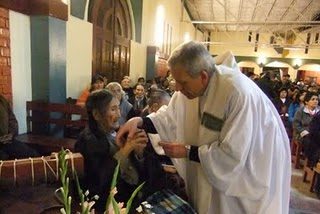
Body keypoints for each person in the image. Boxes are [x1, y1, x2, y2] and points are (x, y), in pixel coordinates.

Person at [117, 41, 291, 214]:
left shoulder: (237, 93)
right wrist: (139, 121)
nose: (177, 88)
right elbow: (170, 116)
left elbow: (233, 155)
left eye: (182, 82)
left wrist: (187, 151)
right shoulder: (188, 89)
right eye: (174, 81)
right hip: (207, 179)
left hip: (242, 184)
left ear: (203, 76)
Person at [74, 89, 175, 212]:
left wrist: (139, 152)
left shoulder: (117, 132)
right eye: (113, 109)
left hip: (140, 194)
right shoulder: (88, 141)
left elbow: (145, 169)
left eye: (118, 108)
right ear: (96, 115)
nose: (119, 114)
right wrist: (127, 149)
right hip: (116, 203)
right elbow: (100, 181)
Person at [0, 94, 38, 160]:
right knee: (4, 159)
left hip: (7, 142)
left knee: (33, 155)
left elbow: (12, 121)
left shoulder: (2, 101)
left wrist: (11, 134)